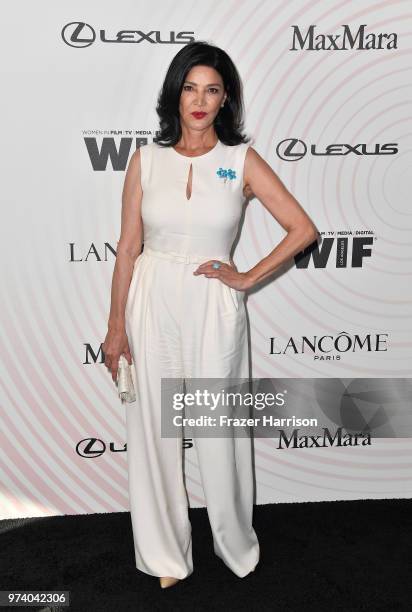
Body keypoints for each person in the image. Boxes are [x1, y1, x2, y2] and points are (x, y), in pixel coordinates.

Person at [102, 41, 317, 589]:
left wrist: (245, 279)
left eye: (212, 90)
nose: (199, 100)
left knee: (217, 428)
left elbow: (303, 230)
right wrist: (115, 327)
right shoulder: (146, 160)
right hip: (151, 296)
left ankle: (235, 545)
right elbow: (128, 248)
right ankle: (166, 558)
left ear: (226, 100)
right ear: (175, 94)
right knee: (154, 430)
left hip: (213, 303)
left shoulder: (240, 161)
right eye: (190, 87)